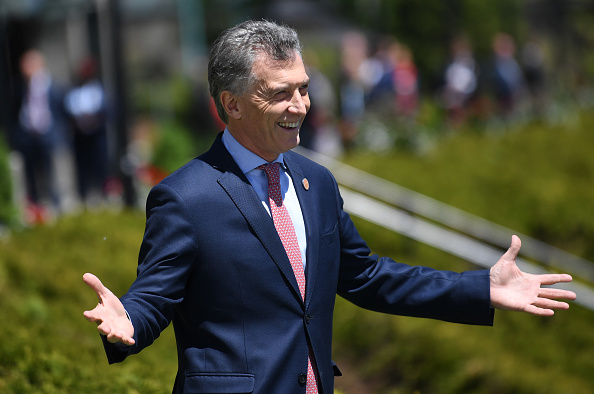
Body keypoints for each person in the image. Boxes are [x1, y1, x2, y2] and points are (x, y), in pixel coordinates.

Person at [83, 20, 576, 394]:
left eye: (304, 87)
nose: (301, 105)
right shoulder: (185, 197)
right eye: (281, 93)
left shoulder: (315, 181)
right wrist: (128, 322)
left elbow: (367, 277)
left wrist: (479, 288)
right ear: (231, 105)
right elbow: (155, 297)